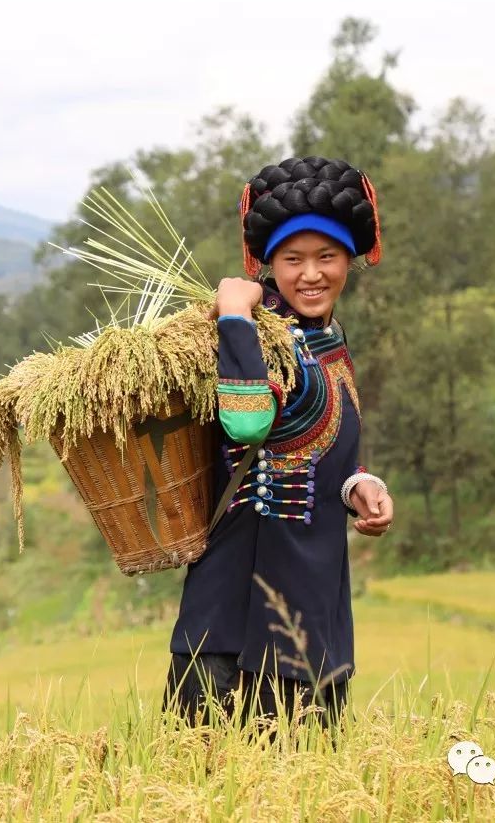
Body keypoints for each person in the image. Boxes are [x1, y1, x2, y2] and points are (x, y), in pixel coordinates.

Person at [166, 156, 394, 730]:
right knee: (207, 774)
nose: (310, 274)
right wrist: (236, 316)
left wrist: (358, 485)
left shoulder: (329, 340)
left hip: (312, 589)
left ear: (351, 261)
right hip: (236, 598)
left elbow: (322, 446)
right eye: (293, 260)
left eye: (327, 257)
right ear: (269, 265)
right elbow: (246, 425)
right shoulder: (255, 329)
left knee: (306, 778)